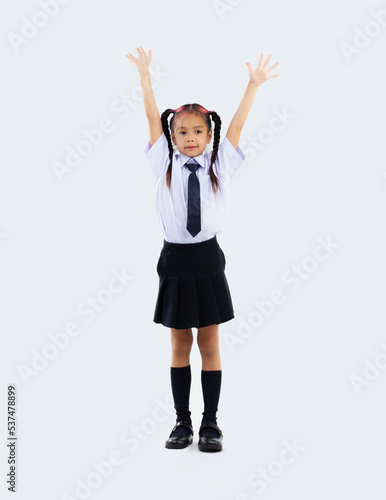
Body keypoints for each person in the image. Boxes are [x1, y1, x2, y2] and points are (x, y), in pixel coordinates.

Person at [126, 46, 279, 452]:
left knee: (209, 342)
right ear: (172, 137)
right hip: (175, 261)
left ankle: (211, 423)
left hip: (208, 259)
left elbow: (239, 127)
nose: (190, 138)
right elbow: (149, 116)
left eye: (197, 132)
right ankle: (182, 422)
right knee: (179, 343)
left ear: (208, 135)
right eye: (182, 132)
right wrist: (145, 76)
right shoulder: (164, 163)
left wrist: (252, 85)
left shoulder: (220, 163)